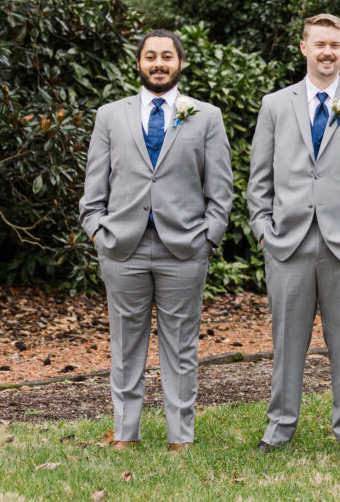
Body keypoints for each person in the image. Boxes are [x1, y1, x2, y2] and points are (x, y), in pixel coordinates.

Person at [248, 13, 340, 454]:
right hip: (287, 244)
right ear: (304, 48)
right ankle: (279, 429)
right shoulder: (275, 105)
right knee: (285, 345)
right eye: (320, 44)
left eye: (335, 44)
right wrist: (263, 231)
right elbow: (259, 179)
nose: (327, 52)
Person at [79, 29, 233, 451]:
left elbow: (220, 191)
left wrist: (208, 240)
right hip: (122, 248)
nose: (159, 63)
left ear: (180, 64)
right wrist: (97, 231)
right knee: (125, 345)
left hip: (183, 249)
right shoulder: (111, 116)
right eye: (151, 56)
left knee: (181, 345)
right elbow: (94, 189)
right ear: (139, 64)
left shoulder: (206, 116)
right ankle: (126, 433)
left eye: (167, 56)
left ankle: (180, 436)